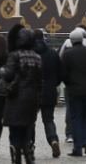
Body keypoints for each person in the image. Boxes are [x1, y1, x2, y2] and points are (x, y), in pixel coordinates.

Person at [1, 25, 43, 164]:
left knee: (15, 132)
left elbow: (8, 75)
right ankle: (30, 159)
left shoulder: (15, 55)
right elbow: (39, 82)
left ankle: (16, 159)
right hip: (32, 97)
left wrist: (1, 71)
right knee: (26, 130)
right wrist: (38, 101)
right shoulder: (37, 57)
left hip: (16, 97)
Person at [60, 28, 86, 157]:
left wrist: (68, 84)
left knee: (76, 118)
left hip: (74, 90)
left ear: (71, 41)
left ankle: (77, 148)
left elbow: (63, 73)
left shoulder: (67, 54)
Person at [33, 29, 62, 158]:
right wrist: (53, 84)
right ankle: (53, 140)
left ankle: (29, 143)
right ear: (44, 39)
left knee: (30, 120)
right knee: (48, 119)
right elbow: (60, 73)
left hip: (32, 92)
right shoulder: (52, 54)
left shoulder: (29, 53)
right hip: (49, 91)